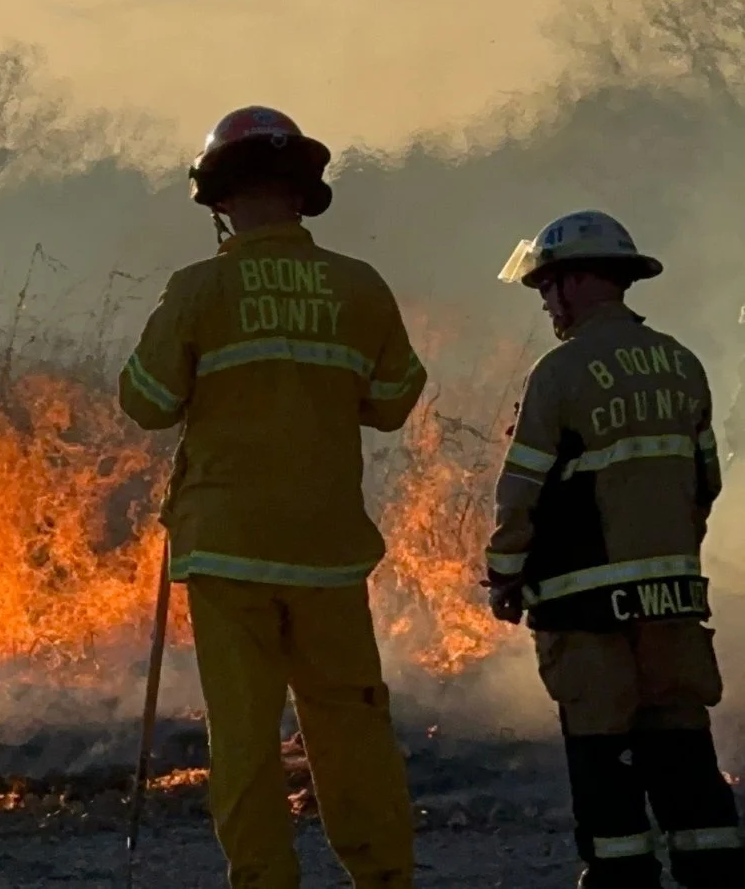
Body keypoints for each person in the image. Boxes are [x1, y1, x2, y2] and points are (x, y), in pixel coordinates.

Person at [119, 105, 425, 889]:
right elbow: (391, 400)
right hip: (327, 550)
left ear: (218, 200)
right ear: (303, 192)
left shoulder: (199, 288)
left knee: (247, 736)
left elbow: (147, 399)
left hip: (227, 550)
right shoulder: (359, 287)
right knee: (351, 725)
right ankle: (385, 877)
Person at [486, 210, 742, 887]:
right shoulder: (682, 363)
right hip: (674, 601)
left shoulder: (559, 372)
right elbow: (705, 479)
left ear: (573, 282)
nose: (545, 302)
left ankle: (622, 877)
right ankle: (712, 867)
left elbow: (522, 491)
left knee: (605, 757)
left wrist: (504, 573)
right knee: (684, 743)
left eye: (547, 287)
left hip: (584, 605)